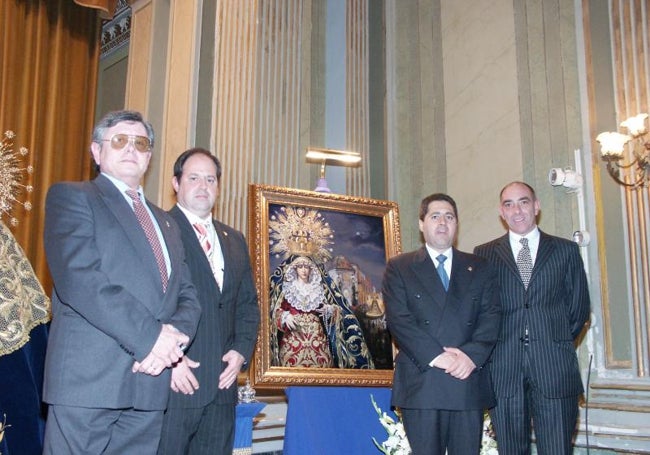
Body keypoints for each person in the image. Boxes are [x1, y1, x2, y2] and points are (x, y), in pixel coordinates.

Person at [42, 110, 201, 454]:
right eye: (119, 140)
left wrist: (170, 346)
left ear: (149, 157)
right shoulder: (72, 196)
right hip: (89, 381)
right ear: (97, 152)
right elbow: (80, 280)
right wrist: (152, 339)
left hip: (149, 381)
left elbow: (187, 293)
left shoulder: (167, 222)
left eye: (140, 143)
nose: (131, 148)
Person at [474, 181, 590, 454]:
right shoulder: (484, 255)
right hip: (504, 371)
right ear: (501, 212)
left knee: (557, 449)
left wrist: (549, 339)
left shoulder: (565, 250)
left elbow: (578, 309)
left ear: (536, 206)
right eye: (508, 204)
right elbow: (481, 312)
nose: (517, 210)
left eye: (523, 201)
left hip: (554, 368)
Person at [158, 147, 260, 454]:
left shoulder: (235, 240)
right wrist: (169, 359)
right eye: (194, 178)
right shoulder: (160, 229)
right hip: (176, 382)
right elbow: (150, 301)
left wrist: (241, 352)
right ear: (176, 183)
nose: (204, 186)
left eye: (211, 179)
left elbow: (248, 306)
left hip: (222, 387)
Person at [382, 193, 501, 454]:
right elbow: (399, 320)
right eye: (435, 216)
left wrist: (470, 356)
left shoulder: (480, 267)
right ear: (422, 224)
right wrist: (437, 356)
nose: (443, 222)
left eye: (449, 217)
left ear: (457, 225)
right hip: (422, 382)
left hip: (466, 379)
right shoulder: (399, 267)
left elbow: (491, 317)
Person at [270, 254, 374, 369]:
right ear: (295, 268)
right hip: (293, 338)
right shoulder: (288, 288)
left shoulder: (317, 288)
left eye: (307, 267)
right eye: (300, 267)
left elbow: (336, 308)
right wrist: (285, 317)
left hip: (317, 339)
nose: (304, 270)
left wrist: (329, 310)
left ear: (311, 269)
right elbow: (275, 311)